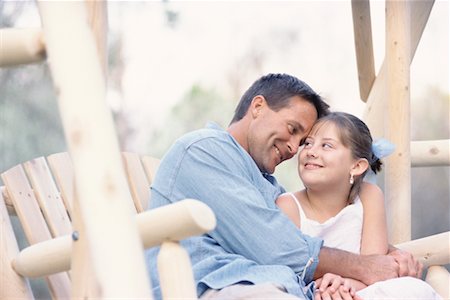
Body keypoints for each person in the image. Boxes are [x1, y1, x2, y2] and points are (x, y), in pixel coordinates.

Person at [145, 73, 423, 300]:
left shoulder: (266, 185)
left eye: (301, 141)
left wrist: (392, 257)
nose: (293, 148)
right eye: (293, 129)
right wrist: (366, 267)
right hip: (208, 286)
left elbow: (307, 239)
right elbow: (275, 246)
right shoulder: (204, 151)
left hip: (270, 286)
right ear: (258, 107)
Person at [276, 112, 441, 299]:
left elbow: (375, 270)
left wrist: (344, 286)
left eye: (326, 145)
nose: (311, 151)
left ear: (356, 166)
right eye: (308, 143)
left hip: (362, 290)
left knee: (413, 289)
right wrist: (326, 290)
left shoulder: (369, 196)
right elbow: (288, 270)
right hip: (312, 293)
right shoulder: (288, 205)